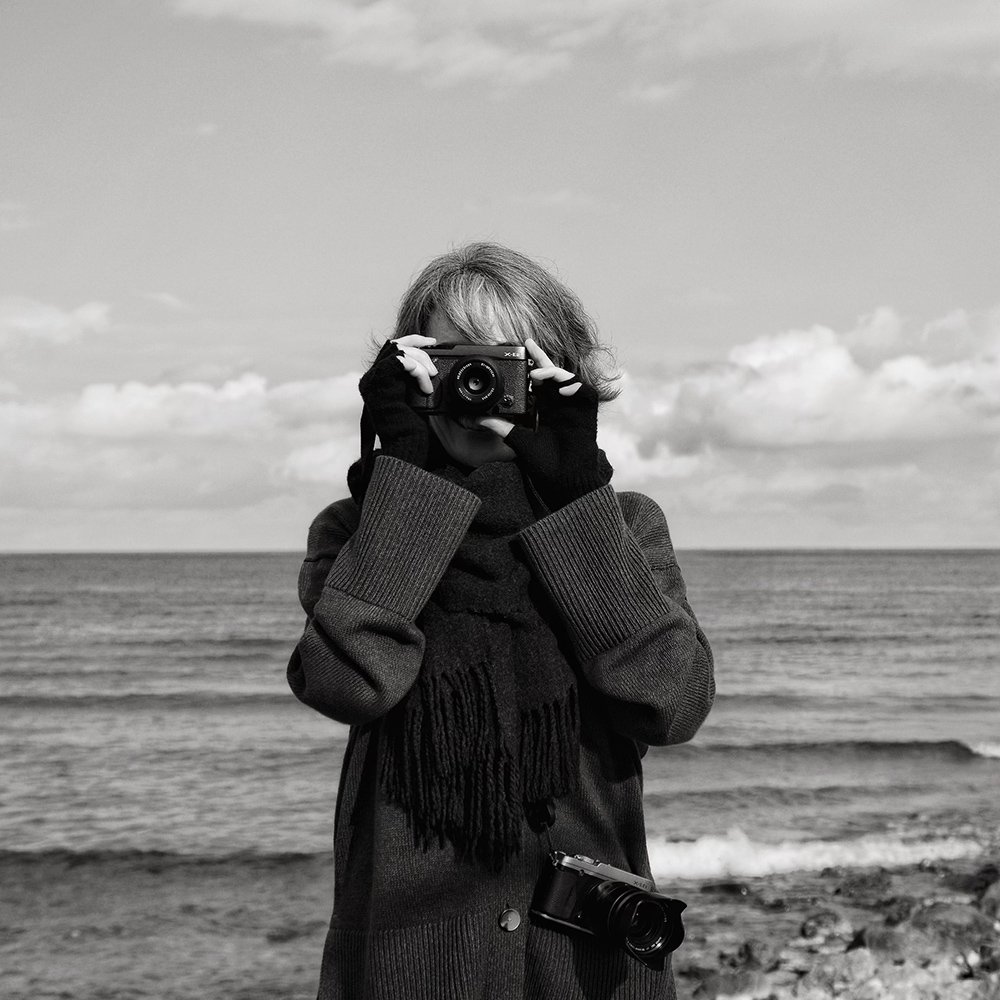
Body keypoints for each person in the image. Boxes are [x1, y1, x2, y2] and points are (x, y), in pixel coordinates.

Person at [287, 242, 715, 1000]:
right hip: (409, 973)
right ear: (406, 370)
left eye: (507, 360)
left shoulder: (622, 525)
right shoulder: (358, 530)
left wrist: (577, 492)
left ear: (558, 373)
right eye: (453, 359)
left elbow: (671, 700)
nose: (479, 387)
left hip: (589, 966)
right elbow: (345, 682)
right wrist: (408, 476)